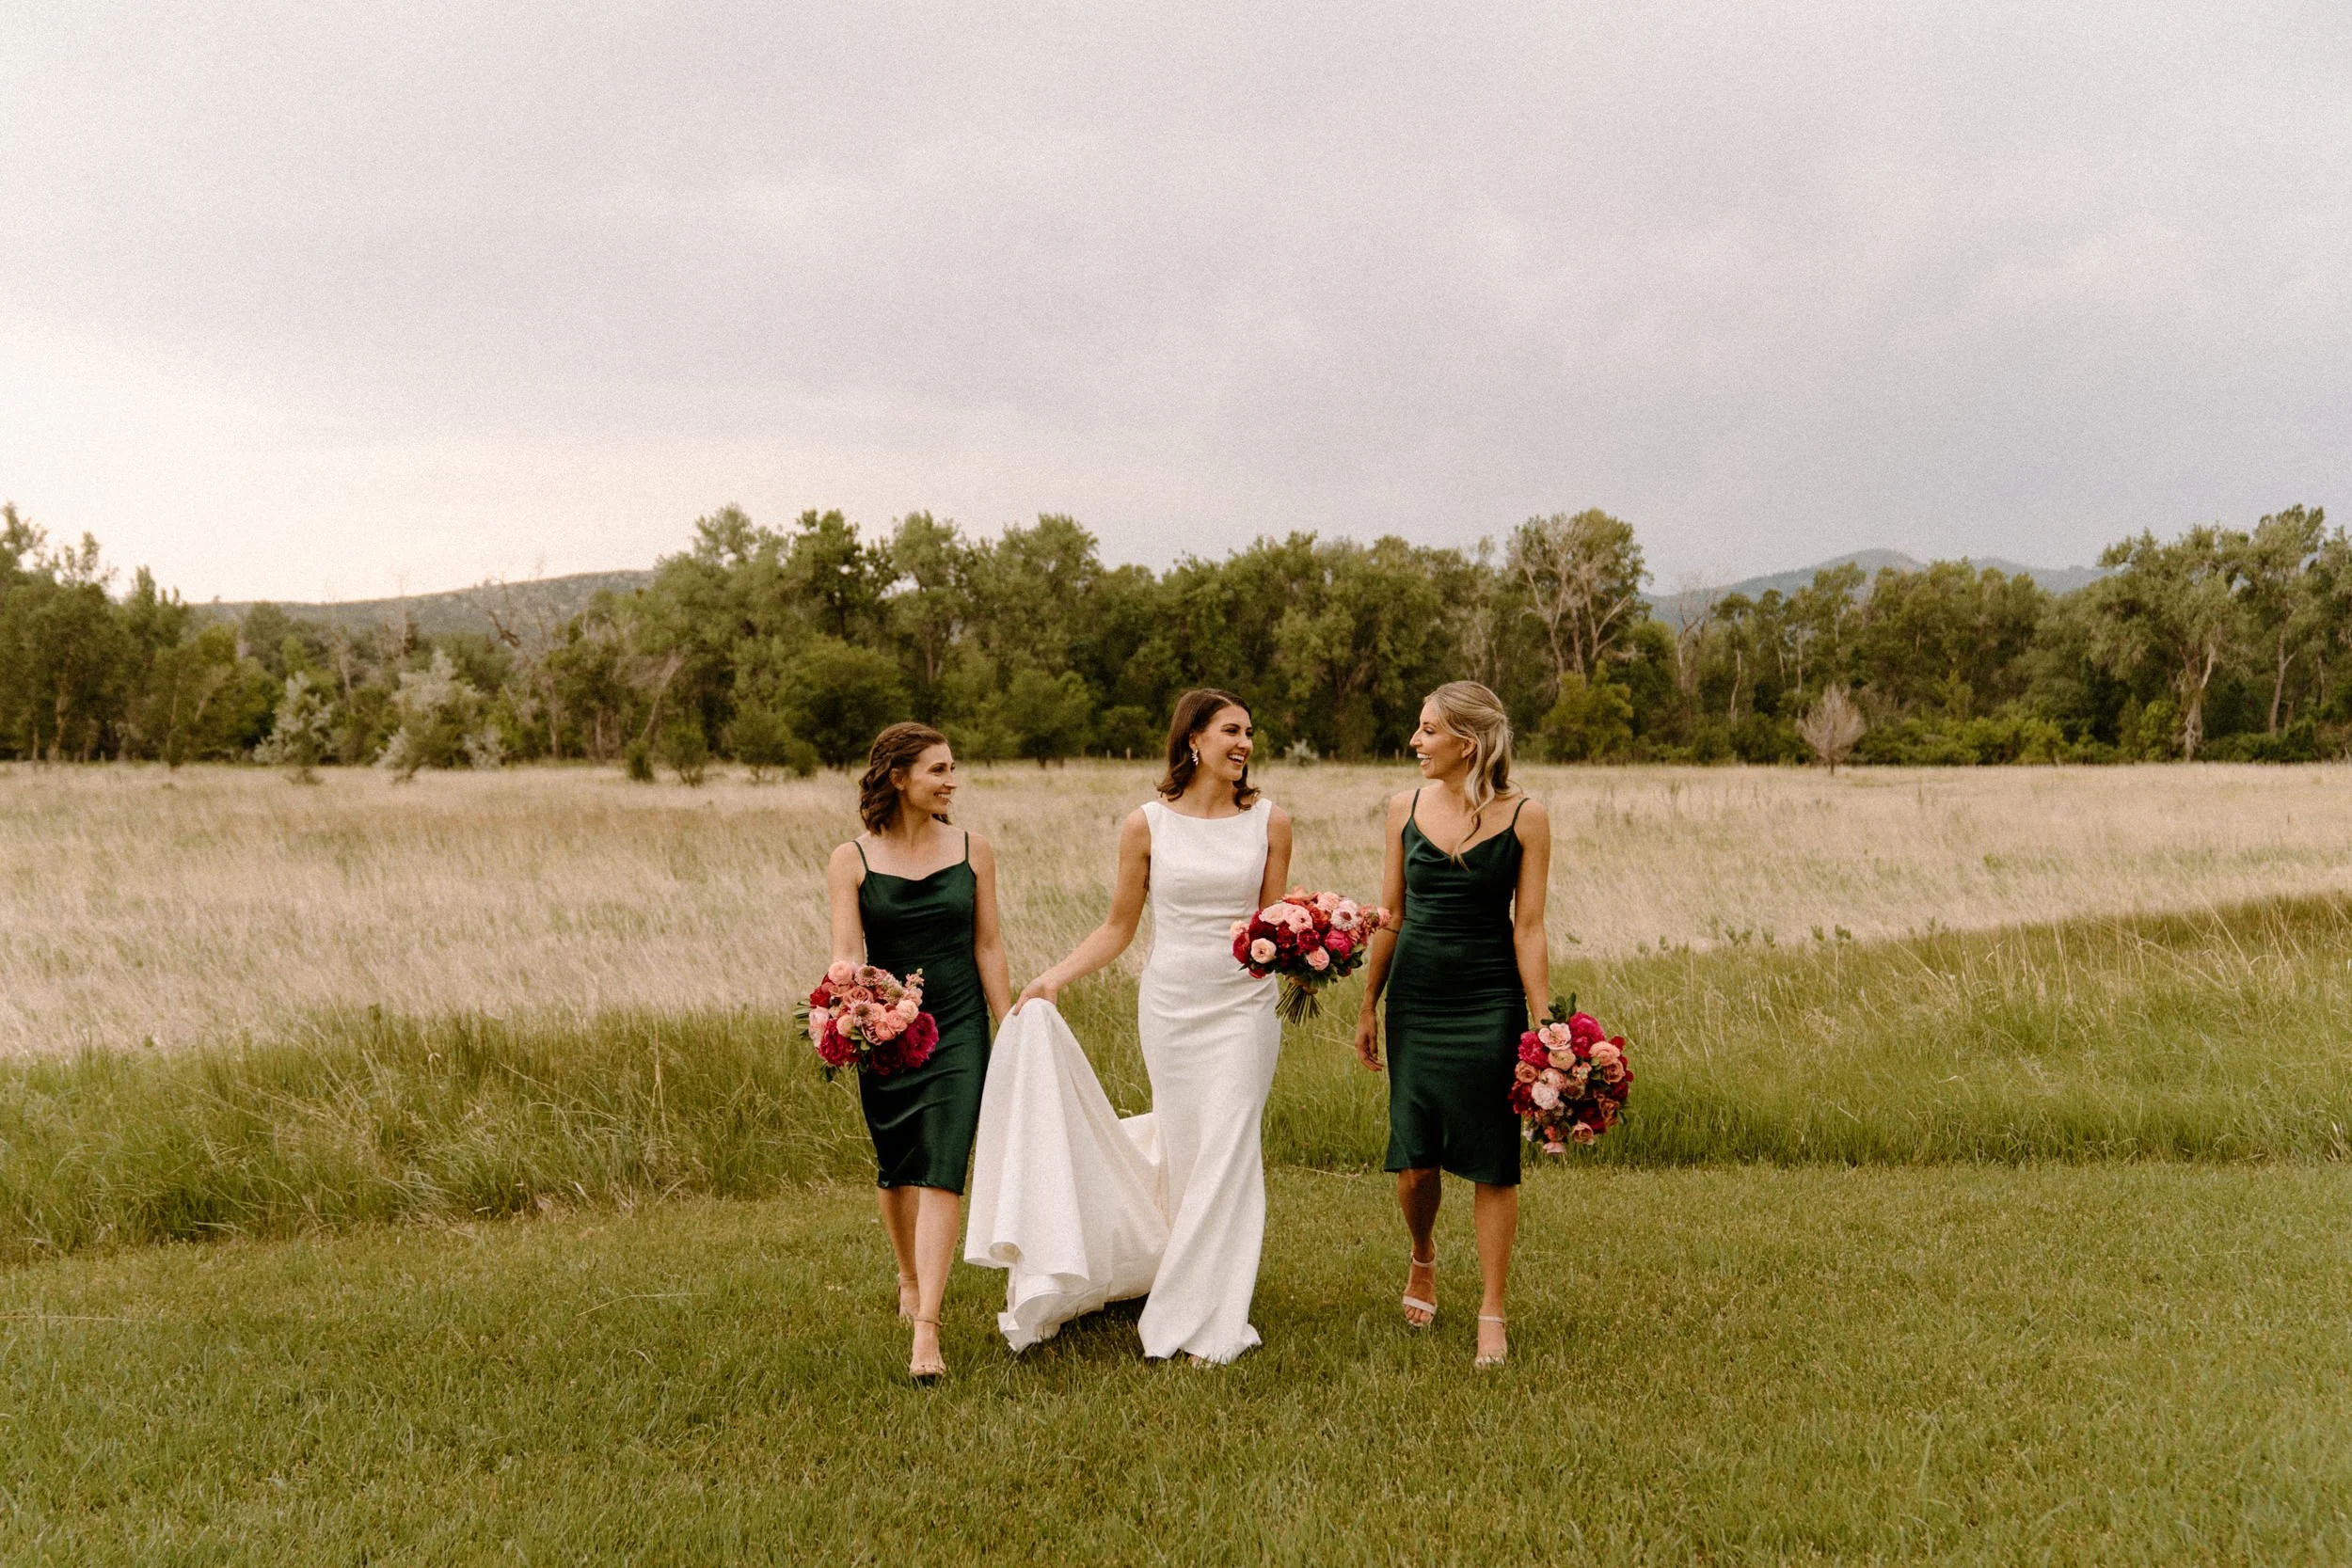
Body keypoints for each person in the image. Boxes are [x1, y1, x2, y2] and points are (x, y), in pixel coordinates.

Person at [995, 689, 1292, 1363]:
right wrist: (1054, 978)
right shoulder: (1146, 825)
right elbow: (1118, 927)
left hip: (1245, 1006)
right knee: (1188, 1151)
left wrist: (1317, 944)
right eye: (1231, 730)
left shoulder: (1271, 822)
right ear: (1193, 740)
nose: (1245, 743)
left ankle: (1203, 1317)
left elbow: (1272, 926)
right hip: (1172, 1008)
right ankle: (1182, 1279)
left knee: (1230, 1149)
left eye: (1249, 732)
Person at [1350, 681, 1552, 1369]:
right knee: (1414, 1162)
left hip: (1490, 1001)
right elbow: (1391, 914)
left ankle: (1493, 1308)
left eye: (1428, 730)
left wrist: (1546, 1028)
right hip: (1417, 1000)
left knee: (1493, 1158)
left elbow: (1529, 928)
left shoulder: (1527, 817)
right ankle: (1423, 1253)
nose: (1416, 741)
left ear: (1467, 743)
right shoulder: (1401, 808)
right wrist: (1369, 1001)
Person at [825, 722, 1010, 1382]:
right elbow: (848, 951)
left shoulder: (974, 849)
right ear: (898, 778)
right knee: (898, 1164)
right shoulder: (851, 859)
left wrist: (1009, 1024)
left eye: (952, 768)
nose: (950, 780)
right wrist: (849, 1011)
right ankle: (908, 1275)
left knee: (942, 1165)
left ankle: (927, 1329)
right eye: (938, 769)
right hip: (887, 1030)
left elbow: (987, 944)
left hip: (958, 1025)